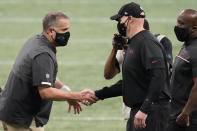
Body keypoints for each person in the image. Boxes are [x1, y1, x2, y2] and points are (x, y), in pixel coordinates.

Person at [0, 11, 97, 131]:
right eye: (64, 30)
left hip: (10, 112)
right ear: (51, 31)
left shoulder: (36, 40)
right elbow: (46, 92)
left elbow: (42, 75)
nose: (67, 34)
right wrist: (79, 96)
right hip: (23, 119)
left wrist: (66, 91)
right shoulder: (43, 54)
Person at [110, 2, 171, 131]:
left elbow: (159, 76)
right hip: (141, 111)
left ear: (129, 18)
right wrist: (99, 94)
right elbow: (131, 81)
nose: (119, 23)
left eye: (120, 19)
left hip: (151, 113)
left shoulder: (147, 42)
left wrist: (144, 110)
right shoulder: (136, 42)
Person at [167, 9, 197, 131]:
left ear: (194, 28)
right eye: (177, 22)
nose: (177, 26)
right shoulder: (188, 44)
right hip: (176, 115)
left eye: (181, 24)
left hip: (188, 120)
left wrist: (185, 113)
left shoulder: (195, 50)